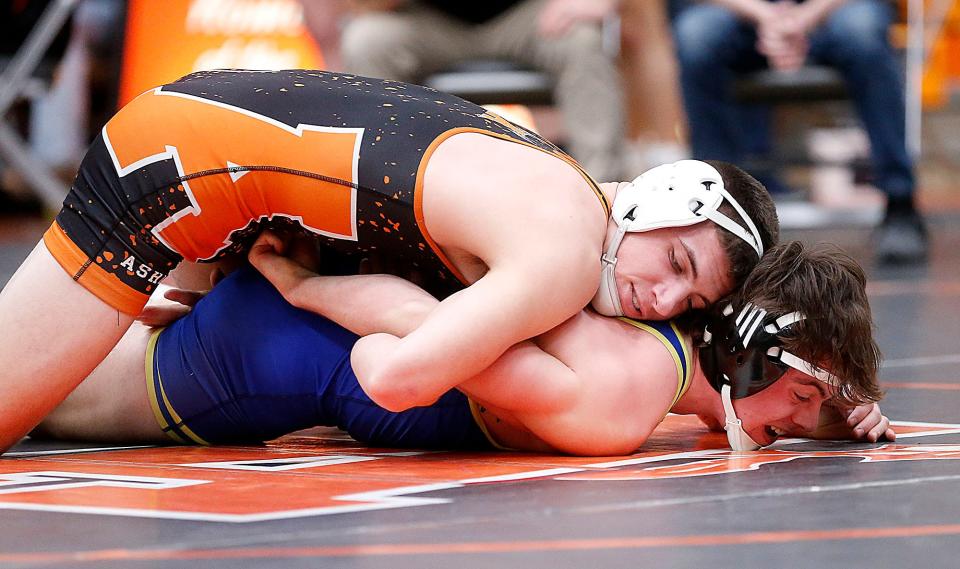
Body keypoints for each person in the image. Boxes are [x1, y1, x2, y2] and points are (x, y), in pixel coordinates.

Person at [0, 69, 778, 453]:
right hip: (186, 171)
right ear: (664, 195)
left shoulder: (562, 177)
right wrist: (305, 289)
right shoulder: (565, 258)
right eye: (676, 260)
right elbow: (401, 374)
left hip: (215, 150)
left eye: (686, 299)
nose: (659, 296)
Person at [34, 238, 892, 455]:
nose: (799, 425)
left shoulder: (657, 319)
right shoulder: (622, 395)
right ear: (752, 352)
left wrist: (845, 402)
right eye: (804, 401)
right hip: (267, 356)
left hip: (290, 322)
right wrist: (301, 292)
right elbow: (418, 337)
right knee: (26, 397)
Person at [671, 0, 926, 265]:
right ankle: (719, 212)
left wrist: (803, 18)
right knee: (695, 35)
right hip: (743, 16)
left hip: (830, 13)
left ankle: (900, 204)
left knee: (863, 29)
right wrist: (766, 16)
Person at [334, 0, 626, 182]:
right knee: (366, 41)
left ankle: (602, 190)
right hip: (428, 20)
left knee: (583, 42)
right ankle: (383, 186)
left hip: (530, 15)